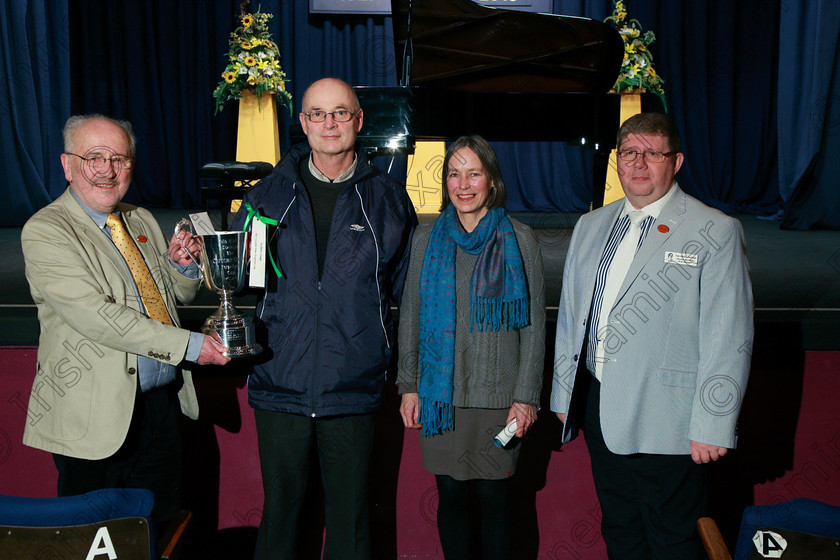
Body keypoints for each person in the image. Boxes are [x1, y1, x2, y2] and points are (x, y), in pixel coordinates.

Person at [228, 77, 417, 560]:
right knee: (281, 521)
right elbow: (242, 280)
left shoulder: (390, 199)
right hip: (279, 383)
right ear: (302, 123)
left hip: (351, 386)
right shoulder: (266, 195)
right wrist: (195, 263)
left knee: (351, 524)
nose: (328, 123)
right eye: (317, 113)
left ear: (358, 120)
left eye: (339, 113)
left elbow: (407, 298)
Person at [550, 112, 754, 559]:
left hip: (672, 423)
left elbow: (729, 335)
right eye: (629, 154)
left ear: (676, 162)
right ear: (617, 161)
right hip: (601, 409)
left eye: (653, 154)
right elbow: (572, 320)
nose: (639, 164)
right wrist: (564, 400)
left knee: (674, 540)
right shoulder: (591, 226)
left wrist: (713, 422)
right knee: (621, 533)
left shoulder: (715, 230)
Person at [20, 114, 231, 529]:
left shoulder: (140, 220)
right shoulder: (46, 230)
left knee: (160, 530)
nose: (107, 170)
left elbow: (168, 301)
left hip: (161, 410)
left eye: (119, 158)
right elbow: (99, 318)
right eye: (93, 157)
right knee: (95, 541)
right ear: (67, 165)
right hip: (93, 418)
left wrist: (181, 268)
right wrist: (191, 347)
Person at [398, 135, 545, 560]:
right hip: (440, 398)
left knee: (497, 502)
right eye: (453, 173)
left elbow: (534, 328)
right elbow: (410, 314)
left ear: (491, 181)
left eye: (473, 173)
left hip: (498, 400)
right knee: (451, 499)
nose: (463, 184)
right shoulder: (425, 239)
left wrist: (525, 397)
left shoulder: (521, 239)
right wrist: (409, 384)